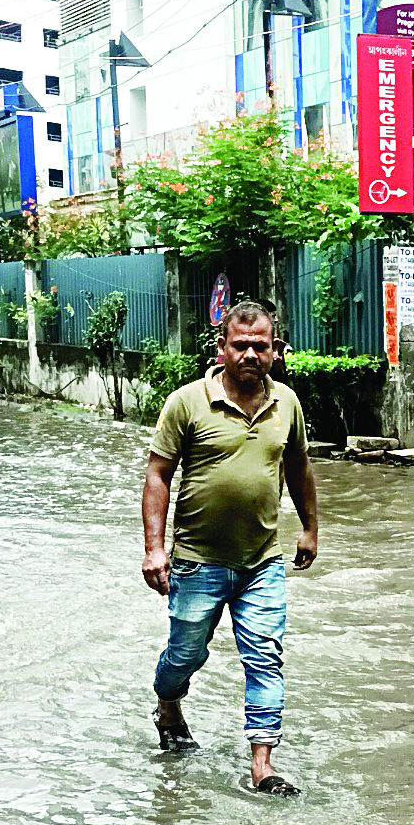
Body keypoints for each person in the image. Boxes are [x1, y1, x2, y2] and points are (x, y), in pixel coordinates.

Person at [143, 300, 319, 797]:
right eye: (239, 346)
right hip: (197, 562)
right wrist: (155, 549)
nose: (249, 355)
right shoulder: (186, 402)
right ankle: (169, 705)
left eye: (260, 346)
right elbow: (158, 475)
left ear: (276, 352)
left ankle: (262, 765)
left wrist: (309, 528)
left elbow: (300, 467)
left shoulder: (288, 403)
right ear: (221, 349)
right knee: (185, 654)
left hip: (262, 561)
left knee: (265, 654)